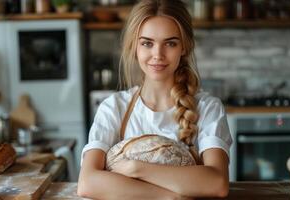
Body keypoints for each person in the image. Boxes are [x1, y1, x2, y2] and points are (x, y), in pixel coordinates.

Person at [78, 0, 233, 199]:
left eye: (170, 43)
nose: (157, 55)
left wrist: (136, 169)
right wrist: (168, 197)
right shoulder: (114, 108)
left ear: (184, 47)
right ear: (135, 47)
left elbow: (217, 183)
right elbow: (87, 182)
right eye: (147, 43)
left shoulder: (207, 108)